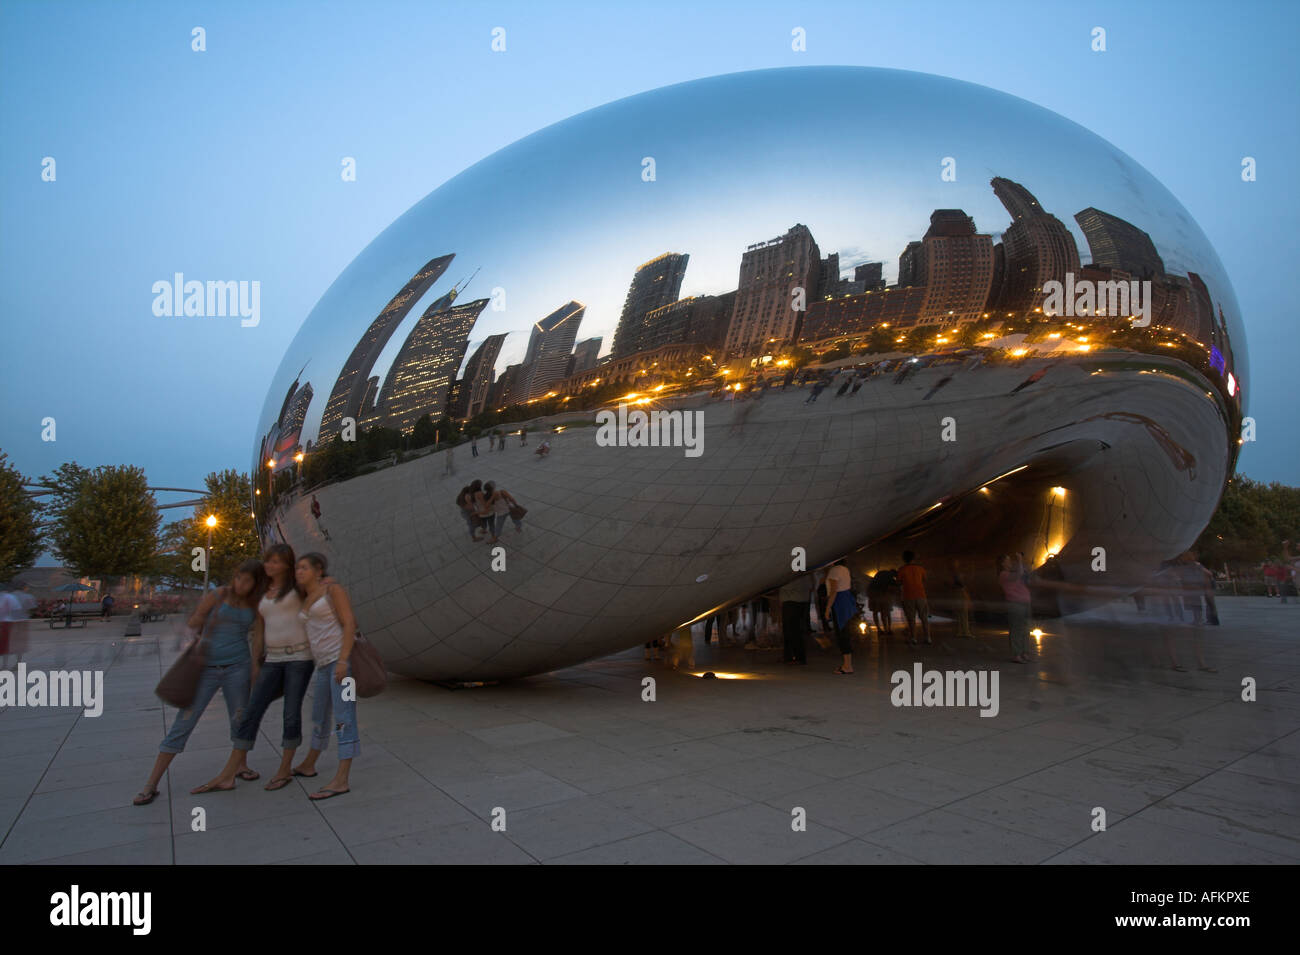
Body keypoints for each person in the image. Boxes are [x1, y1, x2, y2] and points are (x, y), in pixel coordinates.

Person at [134, 560, 267, 805]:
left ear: (256, 584)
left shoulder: (255, 604)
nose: (241, 584)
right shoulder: (218, 595)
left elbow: (258, 638)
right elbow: (194, 622)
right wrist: (207, 622)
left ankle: (240, 766)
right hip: (206, 667)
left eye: (248, 581)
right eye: (239, 578)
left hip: (238, 667)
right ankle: (151, 783)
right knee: (184, 721)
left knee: (240, 719)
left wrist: (255, 669)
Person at [193, 545, 316, 793]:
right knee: (250, 712)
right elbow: (260, 631)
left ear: (287, 565)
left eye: (276, 562)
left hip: (299, 658)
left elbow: (319, 604)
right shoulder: (261, 593)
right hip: (272, 659)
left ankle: (284, 770)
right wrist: (255, 663)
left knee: (291, 713)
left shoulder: (298, 588)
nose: (270, 566)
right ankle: (228, 774)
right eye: (268, 561)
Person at [289, 553, 360, 800]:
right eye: (297, 568)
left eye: (304, 568)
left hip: (341, 665)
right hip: (322, 666)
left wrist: (343, 660)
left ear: (319, 570)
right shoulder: (307, 597)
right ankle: (309, 763)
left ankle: (341, 780)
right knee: (318, 716)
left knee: (344, 718)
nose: (299, 572)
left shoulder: (333, 590)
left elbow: (349, 623)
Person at [824, 561, 858, 674]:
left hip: (839, 603)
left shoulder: (834, 570)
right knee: (845, 633)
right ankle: (847, 664)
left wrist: (828, 608)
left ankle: (847, 666)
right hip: (847, 600)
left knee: (842, 633)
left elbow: (834, 591)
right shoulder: (844, 569)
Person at [998, 553, 1033, 664]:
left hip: (1025, 603)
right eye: (1008, 560)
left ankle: (1025, 652)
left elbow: (1026, 576)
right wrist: (1019, 560)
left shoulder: (1012, 574)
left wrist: (1023, 564)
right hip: (1015, 604)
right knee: (1016, 630)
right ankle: (1016, 654)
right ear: (1002, 563)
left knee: (1026, 629)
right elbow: (1019, 575)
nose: (1010, 562)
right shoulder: (1003, 575)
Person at [778, 572, 813, 665]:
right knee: (794, 631)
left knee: (792, 631)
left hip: (792, 603)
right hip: (799, 602)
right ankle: (791, 656)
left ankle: (796, 657)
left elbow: (785, 586)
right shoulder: (805, 574)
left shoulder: (794, 575)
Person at [898, 550, 931, 645]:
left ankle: (913, 638)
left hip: (908, 596)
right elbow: (925, 580)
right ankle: (928, 638)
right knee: (924, 618)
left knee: (911, 618)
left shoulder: (902, 569)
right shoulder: (920, 568)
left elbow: (899, 582)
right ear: (914, 558)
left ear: (904, 559)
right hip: (921, 595)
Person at [868, 568, 896, 636]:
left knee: (875, 612)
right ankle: (888, 629)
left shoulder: (880, 573)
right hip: (883, 595)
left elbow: (873, 582)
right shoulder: (890, 577)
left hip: (873, 593)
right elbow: (894, 586)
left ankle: (879, 629)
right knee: (886, 612)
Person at [949, 559, 974, 638]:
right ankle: (965, 632)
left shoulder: (953, 573)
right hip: (960, 593)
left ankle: (960, 632)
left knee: (959, 613)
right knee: (963, 613)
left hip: (957, 593)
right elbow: (961, 583)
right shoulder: (957, 573)